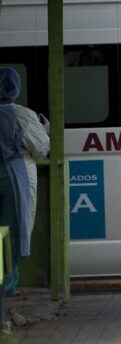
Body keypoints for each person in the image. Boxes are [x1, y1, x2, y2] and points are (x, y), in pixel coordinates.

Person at [0, 67, 49, 296]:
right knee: (11, 232)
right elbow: (40, 148)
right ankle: (7, 286)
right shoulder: (23, 114)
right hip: (14, 179)